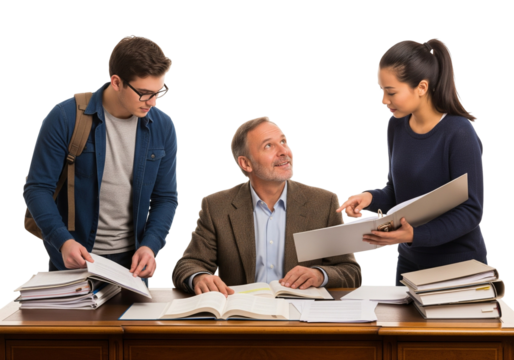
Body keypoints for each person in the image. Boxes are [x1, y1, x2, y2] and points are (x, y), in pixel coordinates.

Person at [22, 35, 179, 284]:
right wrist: (63, 241)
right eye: (144, 93)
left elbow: (166, 197)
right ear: (116, 82)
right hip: (74, 263)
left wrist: (151, 246)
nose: (153, 101)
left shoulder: (164, 126)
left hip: (132, 270)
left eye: (160, 91)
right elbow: (37, 189)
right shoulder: (64, 117)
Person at [337, 38, 486, 285]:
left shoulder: (459, 133)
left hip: (458, 266)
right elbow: (398, 193)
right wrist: (370, 198)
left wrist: (416, 234)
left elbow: (471, 211)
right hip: (409, 261)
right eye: (381, 91)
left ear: (422, 87)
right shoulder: (395, 126)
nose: (384, 100)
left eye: (391, 92)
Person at [172, 116, 362, 295]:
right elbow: (188, 265)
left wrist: (321, 275)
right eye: (269, 145)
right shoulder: (216, 206)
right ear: (246, 163)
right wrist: (199, 277)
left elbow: (351, 271)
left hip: (301, 318)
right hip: (243, 317)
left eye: (284, 141)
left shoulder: (323, 203)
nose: (284, 152)